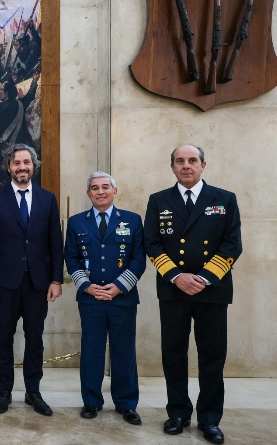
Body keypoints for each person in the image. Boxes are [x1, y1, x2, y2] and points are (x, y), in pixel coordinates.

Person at [144, 144, 241, 444]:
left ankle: (210, 419)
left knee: (212, 356)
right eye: (180, 161)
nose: (186, 165)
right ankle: (178, 413)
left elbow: (232, 244)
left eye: (192, 160)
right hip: (174, 291)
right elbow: (152, 243)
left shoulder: (224, 199)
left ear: (203, 165)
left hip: (212, 291)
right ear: (172, 166)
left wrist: (204, 277)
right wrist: (176, 276)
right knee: (173, 355)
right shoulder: (159, 200)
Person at [0, 143, 63, 416]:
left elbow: (55, 242)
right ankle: (4, 392)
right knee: (4, 338)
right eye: (16, 163)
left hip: (38, 283)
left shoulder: (47, 199)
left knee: (35, 339)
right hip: (4, 283)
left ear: (34, 166)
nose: (22, 167)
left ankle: (33, 392)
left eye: (26, 162)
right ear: (8, 167)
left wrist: (56, 280)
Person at [64, 172, 145, 424]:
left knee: (124, 352)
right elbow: (71, 258)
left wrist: (120, 286)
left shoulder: (132, 220)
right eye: (95, 188)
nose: (100, 192)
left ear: (114, 191)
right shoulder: (77, 222)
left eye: (105, 187)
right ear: (88, 193)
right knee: (92, 351)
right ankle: (91, 401)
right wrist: (86, 286)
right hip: (91, 300)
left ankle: (127, 404)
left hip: (123, 298)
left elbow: (138, 258)